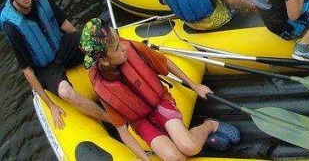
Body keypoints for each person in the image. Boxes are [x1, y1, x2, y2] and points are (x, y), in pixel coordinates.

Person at [80, 18, 241, 160]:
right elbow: (123, 132)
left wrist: (194, 85)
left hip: (160, 103)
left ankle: (209, 125)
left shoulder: (132, 48)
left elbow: (165, 63)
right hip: (141, 121)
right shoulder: (102, 86)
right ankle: (190, 137)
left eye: (118, 39)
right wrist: (145, 159)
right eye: (116, 48)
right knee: (174, 157)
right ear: (105, 61)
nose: (123, 47)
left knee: (190, 147)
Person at [0, 0, 109, 129]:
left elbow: (64, 24)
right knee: (66, 92)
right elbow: (26, 69)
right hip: (45, 67)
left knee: (99, 33)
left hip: (62, 48)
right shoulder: (12, 25)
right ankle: (112, 121)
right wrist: (51, 105)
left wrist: (86, 45)